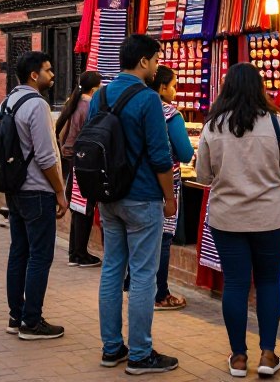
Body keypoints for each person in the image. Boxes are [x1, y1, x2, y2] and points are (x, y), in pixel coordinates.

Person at [196, 62, 280, 378]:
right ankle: (268, 355)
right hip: (270, 219)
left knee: (235, 283)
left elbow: (203, 176)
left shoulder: (213, 125)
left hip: (227, 219)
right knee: (268, 282)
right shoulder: (275, 124)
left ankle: (239, 357)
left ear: (227, 88)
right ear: (260, 88)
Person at [90, 34, 179, 375]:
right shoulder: (148, 100)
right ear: (143, 61)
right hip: (142, 197)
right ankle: (141, 353)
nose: (157, 66)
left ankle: (112, 347)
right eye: (156, 60)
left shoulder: (101, 95)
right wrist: (169, 197)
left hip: (109, 196)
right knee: (143, 275)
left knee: (112, 269)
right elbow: (160, 156)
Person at [3, 51, 68, 341]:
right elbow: (45, 156)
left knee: (19, 252)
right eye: (48, 69)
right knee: (40, 256)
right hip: (37, 191)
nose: (52, 75)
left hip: (14, 188)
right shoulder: (38, 105)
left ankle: (16, 316)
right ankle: (32, 321)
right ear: (34, 75)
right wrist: (59, 191)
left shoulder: (7, 102)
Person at [151, 65, 195, 311]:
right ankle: (160, 293)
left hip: (134, 186)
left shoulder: (134, 106)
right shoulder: (169, 113)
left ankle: (138, 288)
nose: (176, 91)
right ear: (162, 87)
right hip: (164, 185)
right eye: (174, 86)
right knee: (164, 239)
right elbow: (186, 153)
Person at [56, 70, 103, 267]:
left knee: (77, 205)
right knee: (84, 205)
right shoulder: (90, 105)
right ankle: (80, 254)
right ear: (94, 89)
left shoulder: (73, 102)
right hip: (84, 160)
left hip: (72, 157)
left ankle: (75, 253)